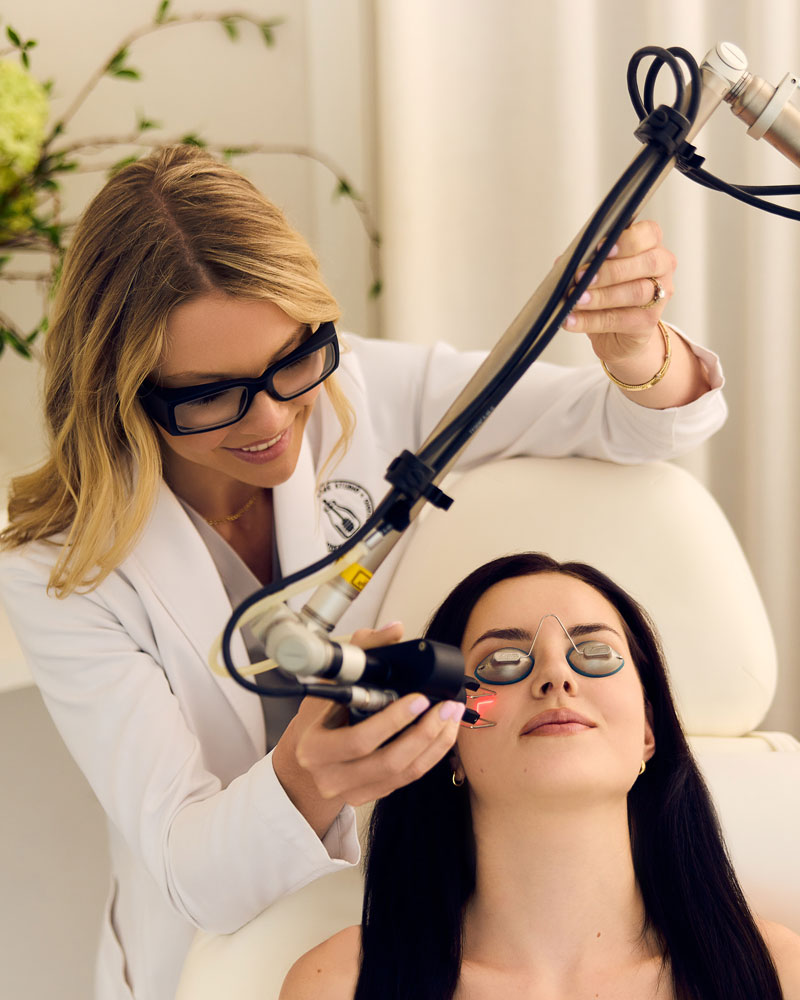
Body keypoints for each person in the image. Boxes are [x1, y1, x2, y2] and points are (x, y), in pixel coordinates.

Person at [0, 144, 726, 1000]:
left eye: (293, 362)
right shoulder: (59, 567)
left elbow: (646, 427)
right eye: (209, 395)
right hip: (200, 949)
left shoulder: (379, 392)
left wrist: (635, 345)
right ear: (119, 392)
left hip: (409, 934)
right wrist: (306, 782)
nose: (272, 420)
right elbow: (187, 864)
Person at [281, 553, 800, 1000]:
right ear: (448, 743)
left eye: (596, 653)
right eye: (502, 661)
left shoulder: (777, 972)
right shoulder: (343, 982)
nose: (556, 675)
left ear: (648, 727)